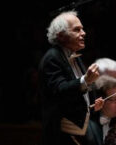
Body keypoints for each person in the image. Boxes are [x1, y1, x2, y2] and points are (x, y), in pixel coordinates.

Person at [39, 11, 100, 145]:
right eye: (77, 30)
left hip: (79, 131)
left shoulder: (74, 55)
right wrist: (86, 80)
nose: (84, 33)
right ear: (61, 36)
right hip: (61, 134)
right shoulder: (52, 58)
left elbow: (76, 93)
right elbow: (59, 91)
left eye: (82, 29)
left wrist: (92, 104)